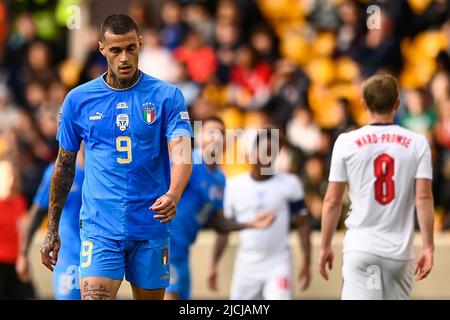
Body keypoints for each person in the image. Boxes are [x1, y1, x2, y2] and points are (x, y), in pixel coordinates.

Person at [40, 14, 193, 300]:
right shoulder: (78, 99)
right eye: (115, 50)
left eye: (130, 48)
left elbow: (182, 151)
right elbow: (64, 164)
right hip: (101, 229)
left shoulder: (167, 96)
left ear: (140, 45)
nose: (124, 57)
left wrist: (174, 193)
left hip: (150, 225)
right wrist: (52, 230)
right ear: (102, 49)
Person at [319, 74, 435, 300]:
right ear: (397, 104)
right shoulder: (417, 142)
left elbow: (332, 201)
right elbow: (424, 198)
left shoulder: (346, 142)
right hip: (399, 252)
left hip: (362, 247)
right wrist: (428, 246)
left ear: (363, 104)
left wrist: (325, 246)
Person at [165, 116, 275, 300]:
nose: (216, 137)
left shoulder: (220, 178)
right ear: (198, 137)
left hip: (183, 251)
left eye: (221, 133)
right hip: (166, 245)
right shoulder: (186, 161)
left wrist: (251, 224)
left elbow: (217, 221)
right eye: (211, 132)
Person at [209, 128, 312, 300]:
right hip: (246, 265)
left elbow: (303, 224)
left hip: (278, 263)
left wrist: (307, 262)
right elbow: (224, 228)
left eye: (272, 153)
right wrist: (213, 264)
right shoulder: (234, 186)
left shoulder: (290, 183)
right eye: (264, 151)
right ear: (252, 152)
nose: (267, 157)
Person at [16, 148, 84, 300]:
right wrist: (23, 254)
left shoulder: (105, 171)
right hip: (68, 258)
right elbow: (37, 212)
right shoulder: (58, 172)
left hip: (101, 257)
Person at [0, 158, 35, 299]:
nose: (11, 181)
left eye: (13, 177)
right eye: (7, 177)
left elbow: (23, 230)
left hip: (17, 262)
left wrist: (23, 255)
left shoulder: (20, 202)